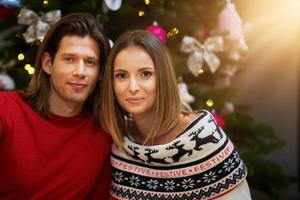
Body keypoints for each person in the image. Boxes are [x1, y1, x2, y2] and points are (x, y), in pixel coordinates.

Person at [100, 30, 251, 200]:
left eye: (145, 74)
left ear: (163, 78)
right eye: (121, 75)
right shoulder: (120, 144)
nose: (132, 86)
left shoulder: (207, 138)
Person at [0, 13, 112, 199]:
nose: (80, 72)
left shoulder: (105, 131)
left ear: (100, 73)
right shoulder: (7, 109)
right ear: (48, 64)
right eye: (69, 59)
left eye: (90, 62)